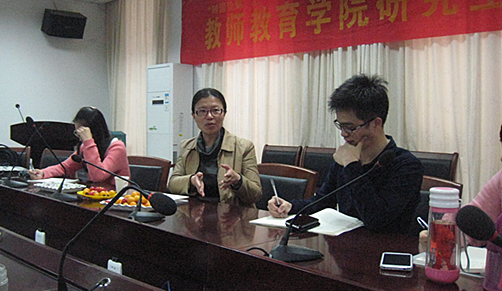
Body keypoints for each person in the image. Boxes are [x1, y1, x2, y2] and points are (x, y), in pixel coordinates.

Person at [268, 74, 423, 234]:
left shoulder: (407, 166)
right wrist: (291, 206)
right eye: (340, 126)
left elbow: (376, 219)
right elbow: (323, 200)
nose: (343, 133)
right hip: (344, 243)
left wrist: (351, 165)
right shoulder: (346, 157)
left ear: (376, 124)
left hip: (386, 246)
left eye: (350, 127)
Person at [168, 88, 262, 207]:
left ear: (224, 114)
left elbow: (256, 194)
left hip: (231, 215)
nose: (209, 116)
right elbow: (172, 184)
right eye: (202, 111)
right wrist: (191, 180)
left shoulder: (244, 147)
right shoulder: (186, 146)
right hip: (195, 213)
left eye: (215, 110)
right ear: (194, 116)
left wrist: (238, 180)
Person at [29, 106, 129, 190]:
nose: (79, 138)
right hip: (94, 194)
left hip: (115, 198)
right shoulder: (86, 147)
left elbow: (98, 176)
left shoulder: (117, 147)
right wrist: (44, 173)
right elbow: (65, 167)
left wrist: (88, 141)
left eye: (80, 133)